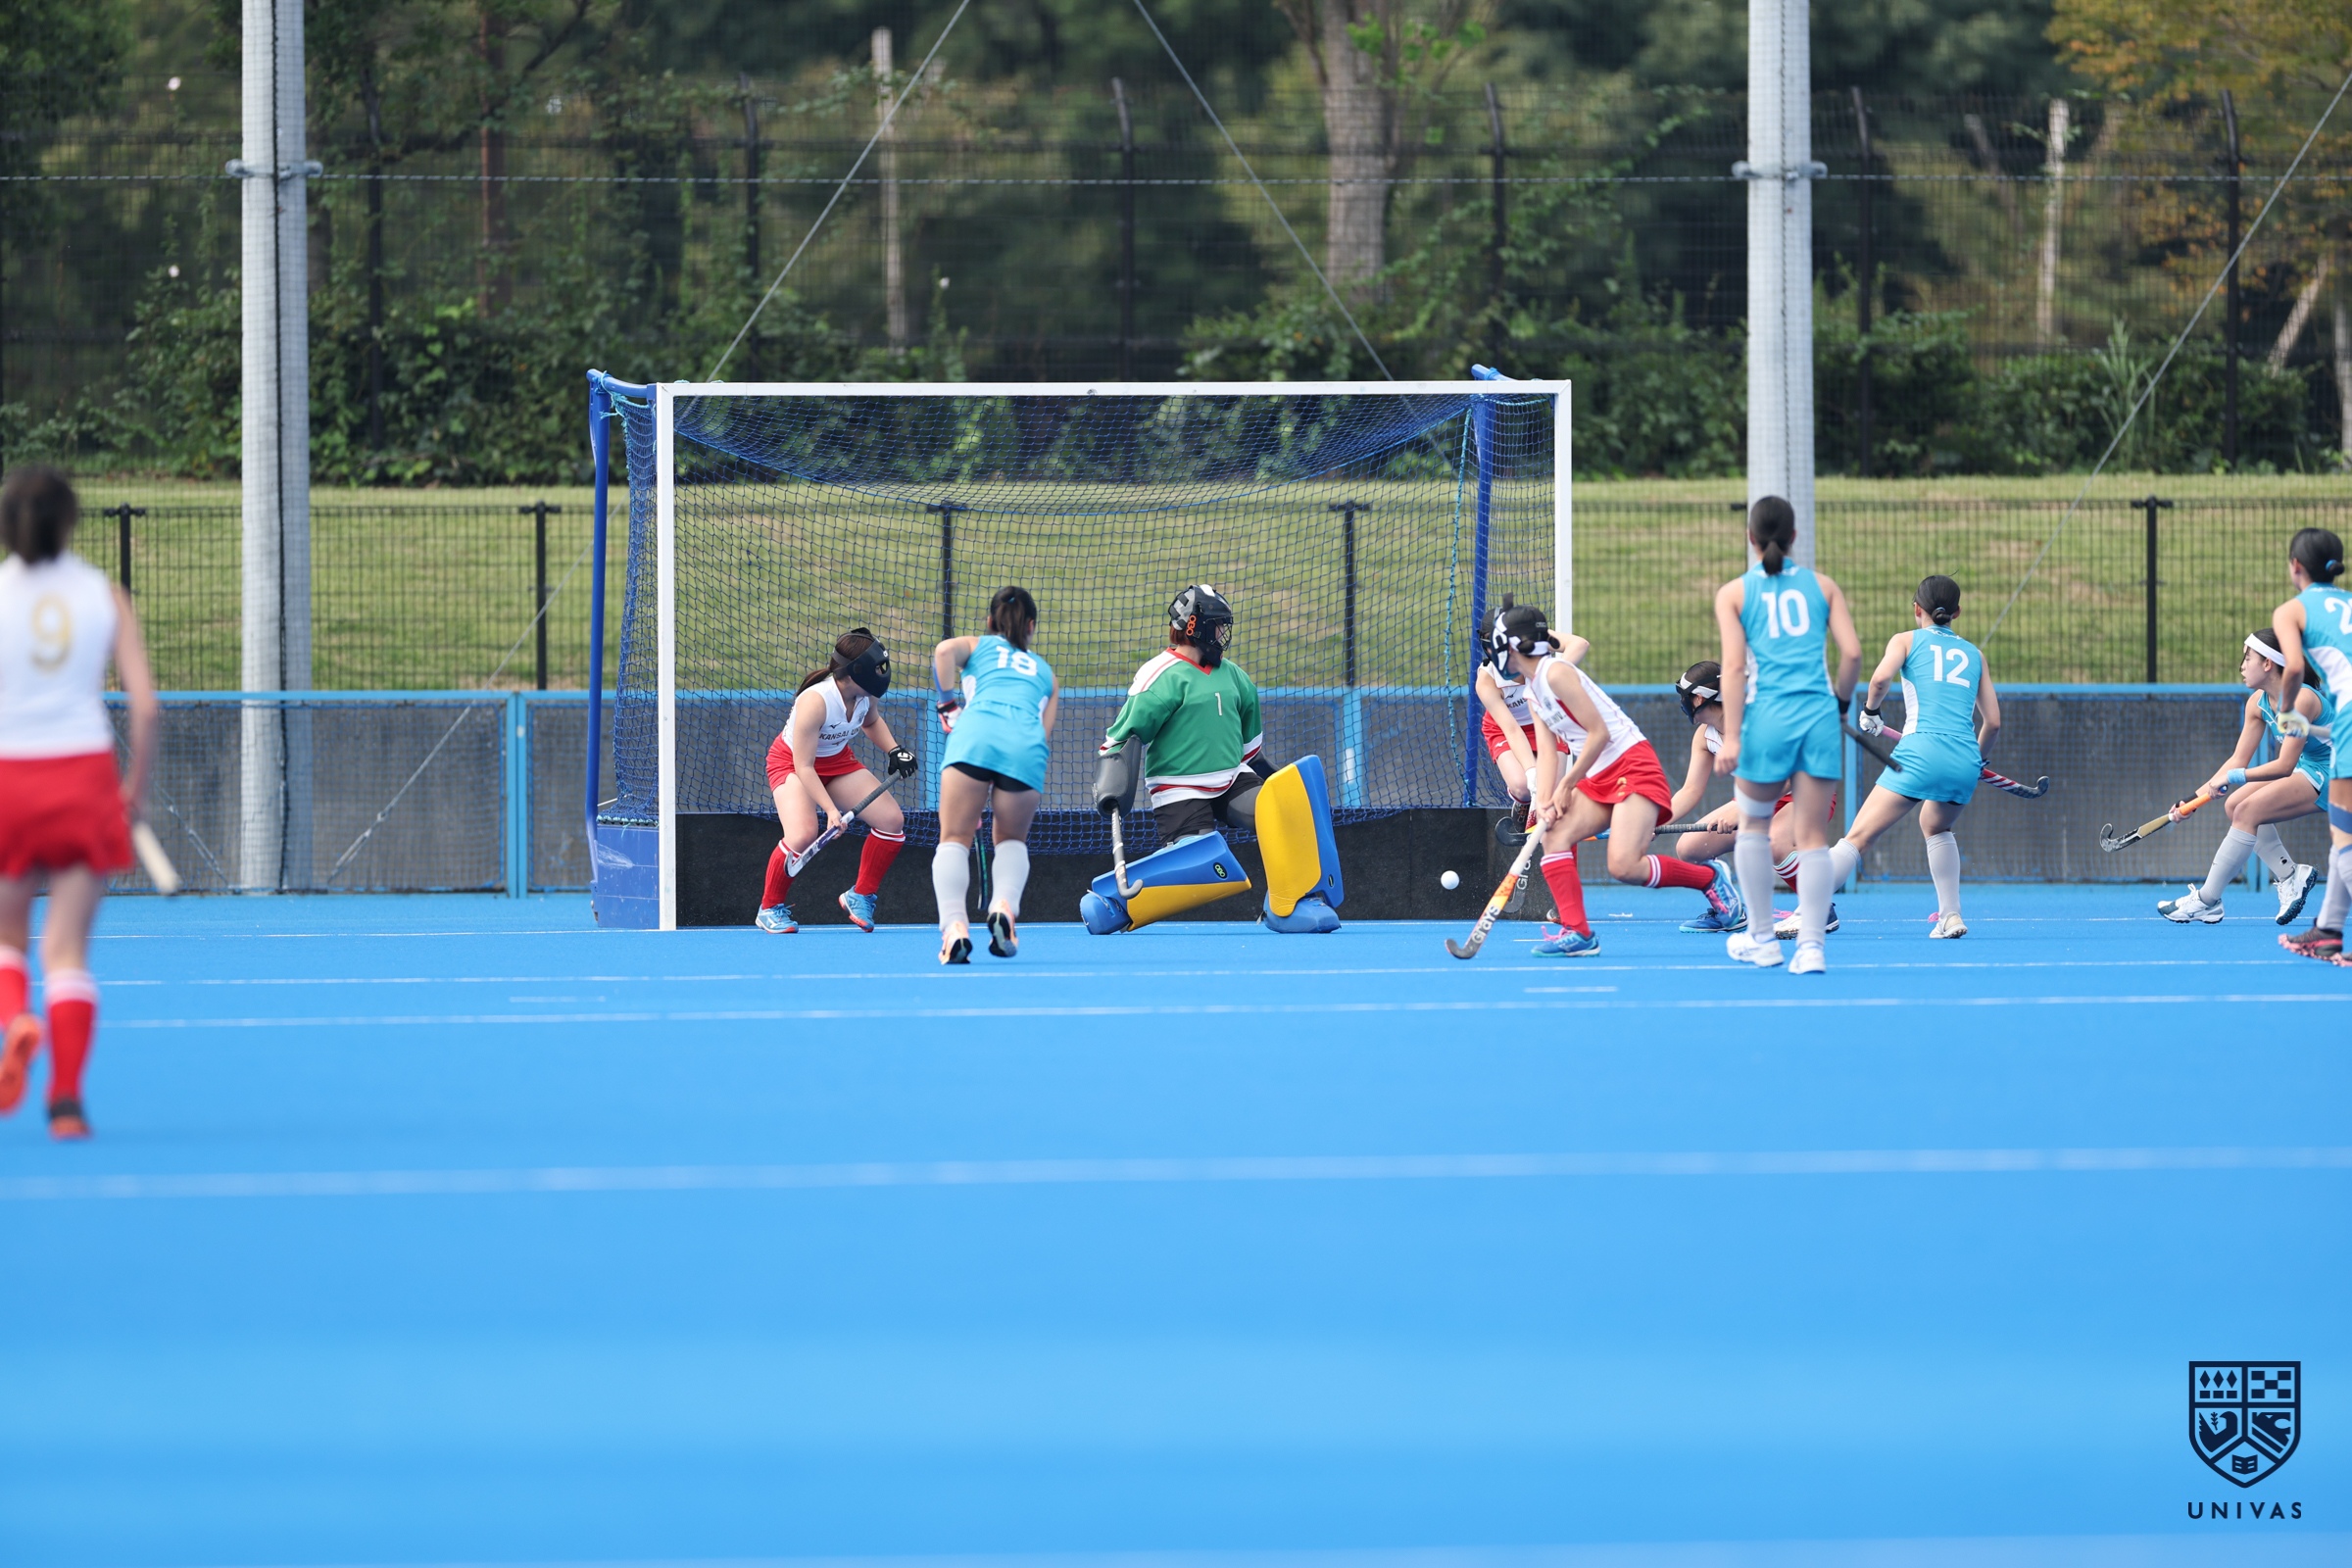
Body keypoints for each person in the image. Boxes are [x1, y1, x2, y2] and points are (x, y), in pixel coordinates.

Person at [0, 466, 159, 1141]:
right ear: (71, 521)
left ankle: (16, 1018)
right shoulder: (105, 596)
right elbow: (145, 708)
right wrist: (134, 793)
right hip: (83, 778)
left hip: (10, 778)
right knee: (66, 951)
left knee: (6, 938)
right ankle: (65, 1103)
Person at [1082, 585, 1342, 934]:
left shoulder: (1236, 677)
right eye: (1218, 625)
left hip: (1232, 777)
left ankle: (1288, 905)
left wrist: (1284, 792)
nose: (1222, 634)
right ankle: (1113, 903)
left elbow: (1251, 751)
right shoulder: (1161, 675)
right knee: (1202, 862)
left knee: (1280, 814)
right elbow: (1122, 737)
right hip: (1179, 789)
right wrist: (1113, 784)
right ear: (1195, 627)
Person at [1489, 602, 1742, 957]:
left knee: (1624, 866)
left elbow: (1599, 734)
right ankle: (1577, 932)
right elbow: (1546, 753)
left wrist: (1566, 786)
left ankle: (1710, 880)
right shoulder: (1532, 693)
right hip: (1598, 775)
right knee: (1556, 834)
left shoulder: (1557, 674)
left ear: (1516, 646)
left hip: (1632, 766)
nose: (1496, 653)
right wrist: (1545, 800)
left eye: (1500, 644)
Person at [1712, 496, 1861, 973]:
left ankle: (1762, 939)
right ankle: (1812, 948)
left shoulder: (1734, 593)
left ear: (1750, 538)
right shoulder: (1824, 586)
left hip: (1767, 719)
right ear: (1795, 537)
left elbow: (1734, 668)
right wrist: (1840, 705)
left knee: (1753, 828)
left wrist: (1733, 738)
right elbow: (1852, 654)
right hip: (1818, 719)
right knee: (1813, 838)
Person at [1811, 576, 2000, 940]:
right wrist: (1976, 762)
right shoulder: (1975, 655)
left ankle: (1807, 912)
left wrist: (1870, 710)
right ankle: (1951, 916)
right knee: (1936, 825)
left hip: (1920, 751)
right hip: (1964, 758)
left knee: (1858, 837)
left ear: (1917, 609)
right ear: (1957, 612)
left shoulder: (1905, 640)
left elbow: (1880, 680)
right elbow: (1993, 723)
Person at [2153, 626, 2326, 926]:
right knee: (2235, 806)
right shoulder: (2258, 703)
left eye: (2248, 658)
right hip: (2310, 767)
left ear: (2268, 664)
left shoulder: (2301, 700)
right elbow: (2237, 759)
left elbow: (2284, 766)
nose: (2242, 666)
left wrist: (2234, 777)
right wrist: (2191, 801)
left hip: (2338, 773)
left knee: (2247, 810)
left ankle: (2207, 900)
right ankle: (2290, 875)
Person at [755, 628, 916, 933]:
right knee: (803, 834)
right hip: (793, 763)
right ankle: (769, 907)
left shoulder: (865, 694)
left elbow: (871, 722)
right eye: (876, 668)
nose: (881, 674)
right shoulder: (816, 702)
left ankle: (860, 895)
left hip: (837, 761)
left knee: (891, 821)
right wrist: (831, 811)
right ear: (856, 671)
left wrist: (895, 750)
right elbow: (804, 766)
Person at [930, 586, 1058, 964]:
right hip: (1024, 748)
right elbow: (1043, 733)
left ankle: (954, 928)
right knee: (1011, 841)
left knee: (954, 839)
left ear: (989, 621)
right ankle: (1004, 908)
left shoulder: (978, 646)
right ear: (1031, 626)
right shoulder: (1046, 674)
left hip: (974, 738)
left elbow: (943, 652)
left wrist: (947, 704)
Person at [1665, 660, 1836, 936]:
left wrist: (1744, 811)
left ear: (1698, 698)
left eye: (1685, 696)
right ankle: (1729, 910)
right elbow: (1690, 790)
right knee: (1689, 848)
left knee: (1776, 842)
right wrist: (1656, 820)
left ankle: (1819, 910)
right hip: (1757, 800)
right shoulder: (1704, 737)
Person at [2268, 527, 2352, 962]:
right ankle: (2329, 930)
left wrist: (2286, 711)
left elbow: (2295, 668)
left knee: (2345, 836)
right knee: (2344, 834)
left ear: (2295, 566)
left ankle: (2329, 929)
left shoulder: (2292, 610)